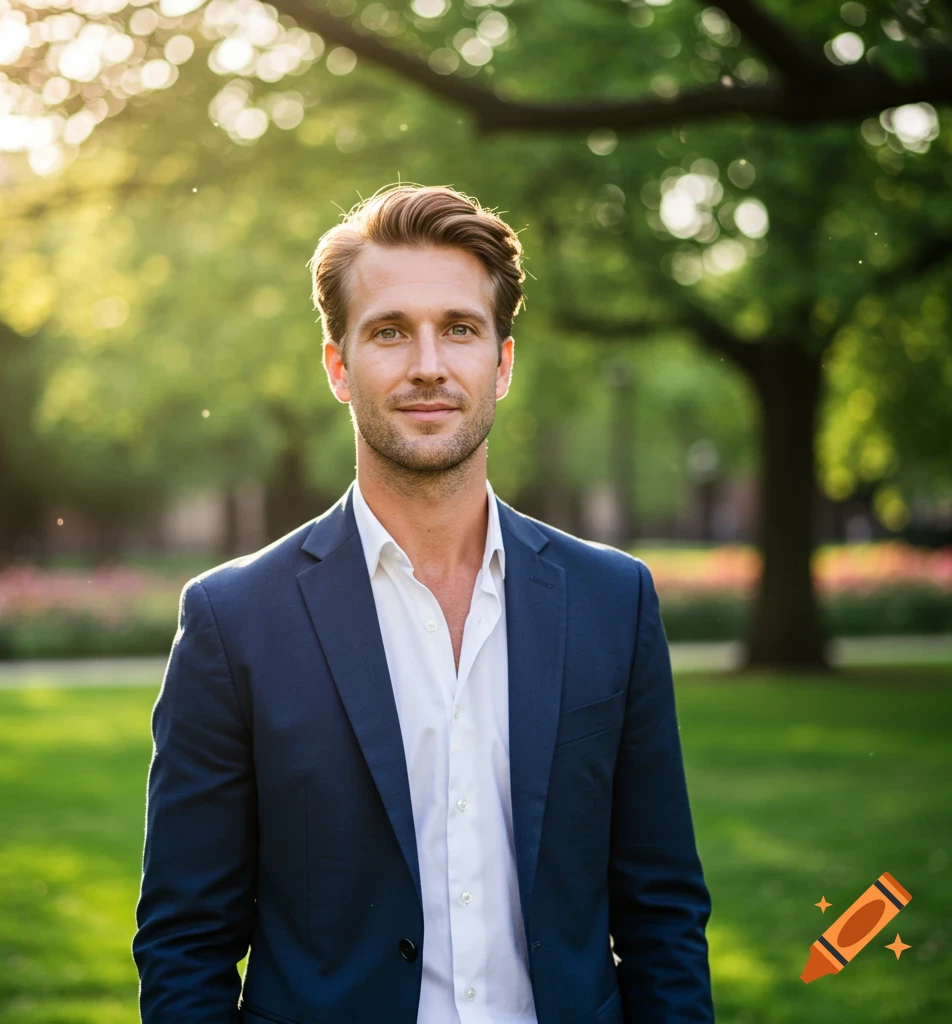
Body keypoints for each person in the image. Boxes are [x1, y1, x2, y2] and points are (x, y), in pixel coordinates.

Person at [133, 184, 714, 1024]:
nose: (429, 364)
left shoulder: (612, 600)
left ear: (503, 363)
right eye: (390, 331)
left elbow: (662, 916)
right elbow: (185, 941)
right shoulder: (234, 621)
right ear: (339, 366)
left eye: (461, 329)